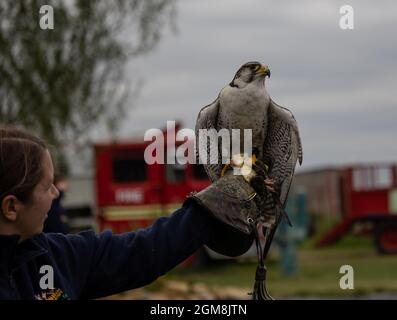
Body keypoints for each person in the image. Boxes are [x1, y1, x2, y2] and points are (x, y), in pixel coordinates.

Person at [0, 125, 268, 300]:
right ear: (11, 207)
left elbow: (140, 252)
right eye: (47, 187)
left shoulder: (56, 256)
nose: (56, 195)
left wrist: (210, 210)